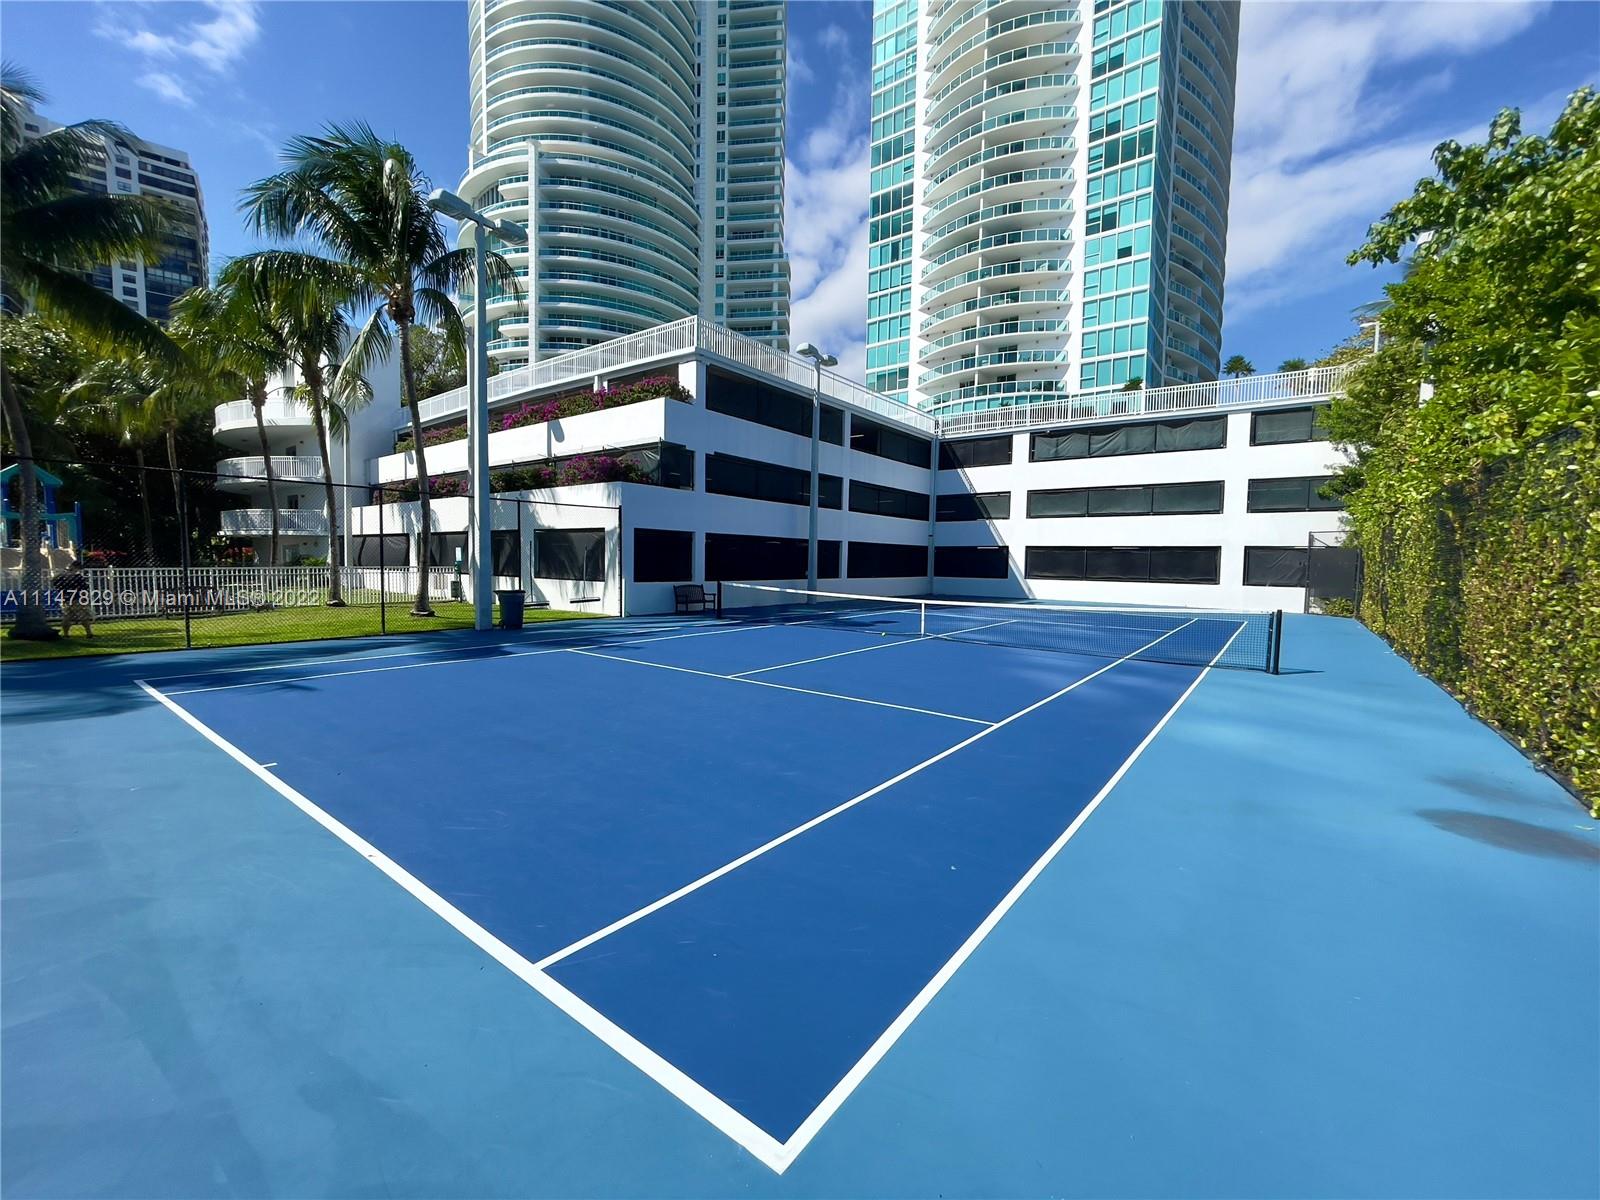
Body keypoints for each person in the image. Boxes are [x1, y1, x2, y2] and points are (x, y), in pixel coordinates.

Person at [51, 561, 93, 638]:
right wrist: (84, 598)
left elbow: (54, 582)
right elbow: (83, 588)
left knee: (67, 616)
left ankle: (66, 634)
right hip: (76, 597)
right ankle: (89, 633)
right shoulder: (78, 576)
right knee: (82, 615)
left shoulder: (61, 576)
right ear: (77, 568)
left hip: (65, 598)